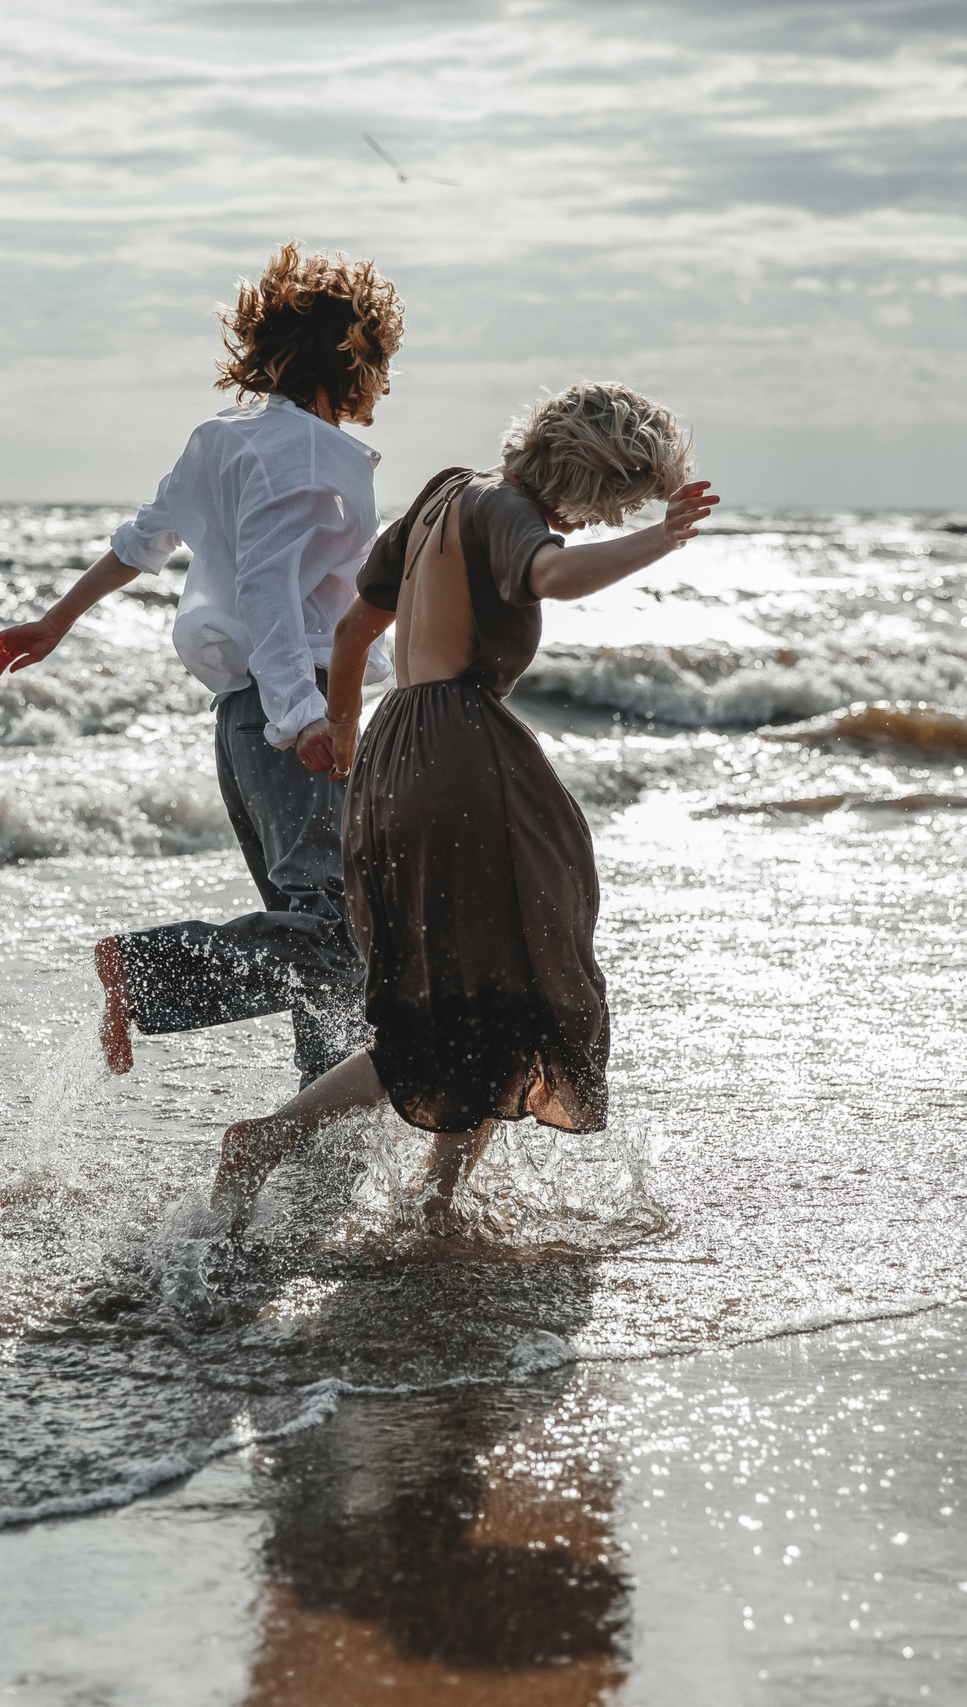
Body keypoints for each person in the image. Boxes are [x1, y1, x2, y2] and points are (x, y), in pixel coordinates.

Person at [211, 381, 717, 1234]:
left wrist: (342, 729)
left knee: (467, 993)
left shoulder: (447, 488)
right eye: (612, 501)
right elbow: (549, 573)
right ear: (589, 477)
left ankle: (431, 1196)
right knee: (507, 985)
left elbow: (352, 631)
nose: (598, 520)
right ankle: (275, 1142)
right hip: (458, 757)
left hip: (394, 752)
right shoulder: (510, 511)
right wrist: (659, 540)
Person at [0, 244, 403, 1085]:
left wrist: (58, 618)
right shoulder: (310, 451)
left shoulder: (222, 439)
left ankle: (312, 1157)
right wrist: (303, 716)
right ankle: (150, 973)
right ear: (352, 355)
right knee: (334, 934)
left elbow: (143, 541)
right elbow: (268, 586)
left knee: (321, 944)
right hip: (297, 706)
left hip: (241, 724)